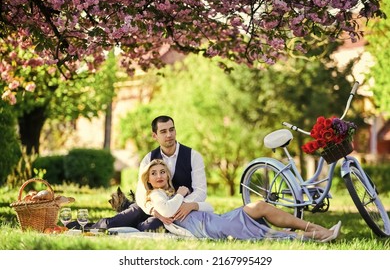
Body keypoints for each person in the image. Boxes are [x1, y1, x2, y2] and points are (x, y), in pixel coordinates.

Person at [141, 159, 342, 242]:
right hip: (210, 228)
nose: (159, 176)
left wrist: (192, 204)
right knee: (262, 224)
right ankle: (319, 233)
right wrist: (182, 195)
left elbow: (209, 206)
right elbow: (167, 211)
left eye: (162, 172)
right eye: (154, 173)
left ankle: (314, 229)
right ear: (148, 179)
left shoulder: (172, 195)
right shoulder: (157, 196)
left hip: (214, 219)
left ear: (167, 176)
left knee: (260, 206)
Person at [72, 115, 208, 231]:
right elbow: (141, 193)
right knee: (113, 223)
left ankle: (136, 227)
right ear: (155, 136)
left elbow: (200, 191)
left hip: (180, 213)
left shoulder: (193, 156)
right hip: (151, 207)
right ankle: (80, 227)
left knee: (152, 227)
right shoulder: (148, 158)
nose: (169, 135)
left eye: (171, 130)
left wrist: (182, 206)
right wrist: (153, 210)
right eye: (163, 131)